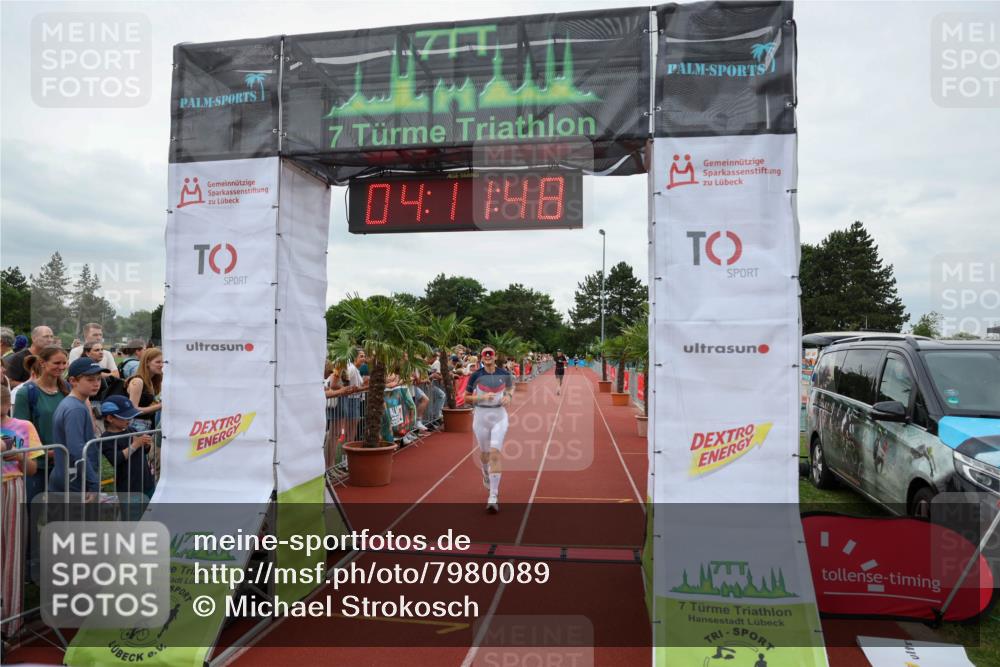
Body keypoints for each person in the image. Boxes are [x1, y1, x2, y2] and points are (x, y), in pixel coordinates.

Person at [1, 384, 42, 636]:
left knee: (11, 552)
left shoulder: (23, 426)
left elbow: (32, 469)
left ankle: (10, 621)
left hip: (10, 488)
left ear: (7, 404)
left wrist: (16, 456)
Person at [12, 346, 70, 500]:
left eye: (65, 363)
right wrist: (43, 452)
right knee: (32, 514)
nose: (62, 367)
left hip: (63, 463)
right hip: (37, 467)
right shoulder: (26, 392)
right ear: (43, 363)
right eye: (57, 363)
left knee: (59, 513)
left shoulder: (67, 389)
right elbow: (19, 433)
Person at [464, 346, 514, 514]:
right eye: (485, 355)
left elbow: (510, 389)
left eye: (490, 355)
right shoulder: (475, 376)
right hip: (481, 417)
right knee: (485, 455)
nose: (487, 357)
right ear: (481, 358)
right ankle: (485, 473)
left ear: (495, 357)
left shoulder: (505, 374)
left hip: (499, 417)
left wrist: (508, 397)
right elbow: (465, 398)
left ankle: (493, 496)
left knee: (494, 453)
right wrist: (481, 397)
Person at [49, 358, 108, 495]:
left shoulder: (71, 403)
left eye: (98, 379)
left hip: (68, 475)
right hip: (74, 479)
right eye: (90, 379)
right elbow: (77, 448)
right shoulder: (75, 409)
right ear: (73, 381)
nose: (96, 384)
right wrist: (93, 482)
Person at [99, 396, 156, 519]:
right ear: (110, 418)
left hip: (146, 482)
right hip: (129, 488)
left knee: (151, 516)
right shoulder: (106, 438)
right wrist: (136, 444)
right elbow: (116, 459)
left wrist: (146, 445)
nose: (130, 419)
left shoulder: (131, 429)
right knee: (133, 520)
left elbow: (143, 452)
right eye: (125, 416)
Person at [126, 348, 163, 433]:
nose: (162, 365)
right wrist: (160, 406)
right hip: (135, 426)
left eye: (163, 362)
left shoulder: (152, 381)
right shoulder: (138, 381)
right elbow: (133, 410)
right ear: (147, 363)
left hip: (146, 425)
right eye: (158, 362)